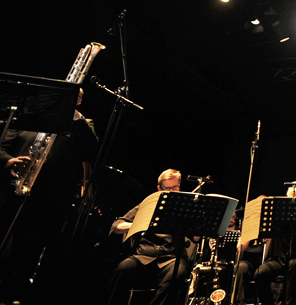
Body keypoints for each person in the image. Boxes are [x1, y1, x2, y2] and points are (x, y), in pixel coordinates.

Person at [0, 86, 99, 302]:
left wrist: (76, 118)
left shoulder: (81, 124)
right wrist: (9, 161)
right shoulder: (30, 117)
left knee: (28, 253)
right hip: (12, 190)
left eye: (74, 97)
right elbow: (2, 147)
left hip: (49, 199)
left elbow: (91, 150)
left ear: (79, 101)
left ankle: (14, 293)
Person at [105, 168, 198, 305]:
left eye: (175, 187)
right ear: (159, 188)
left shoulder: (184, 209)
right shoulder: (147, 204)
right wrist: (139, 223)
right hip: (144, 255)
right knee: (122, 269)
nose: (172, 191)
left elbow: (195, 238)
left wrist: (200, 224)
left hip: (171, 258)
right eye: (168, 188)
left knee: (177, 274)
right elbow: (116, 226)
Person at [233, 181, 296, 305]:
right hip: (278, 260)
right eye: (290, 199)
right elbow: (242, 247)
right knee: (260, 273)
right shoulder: (277, 213)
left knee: (293, 265)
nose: (293, 202)